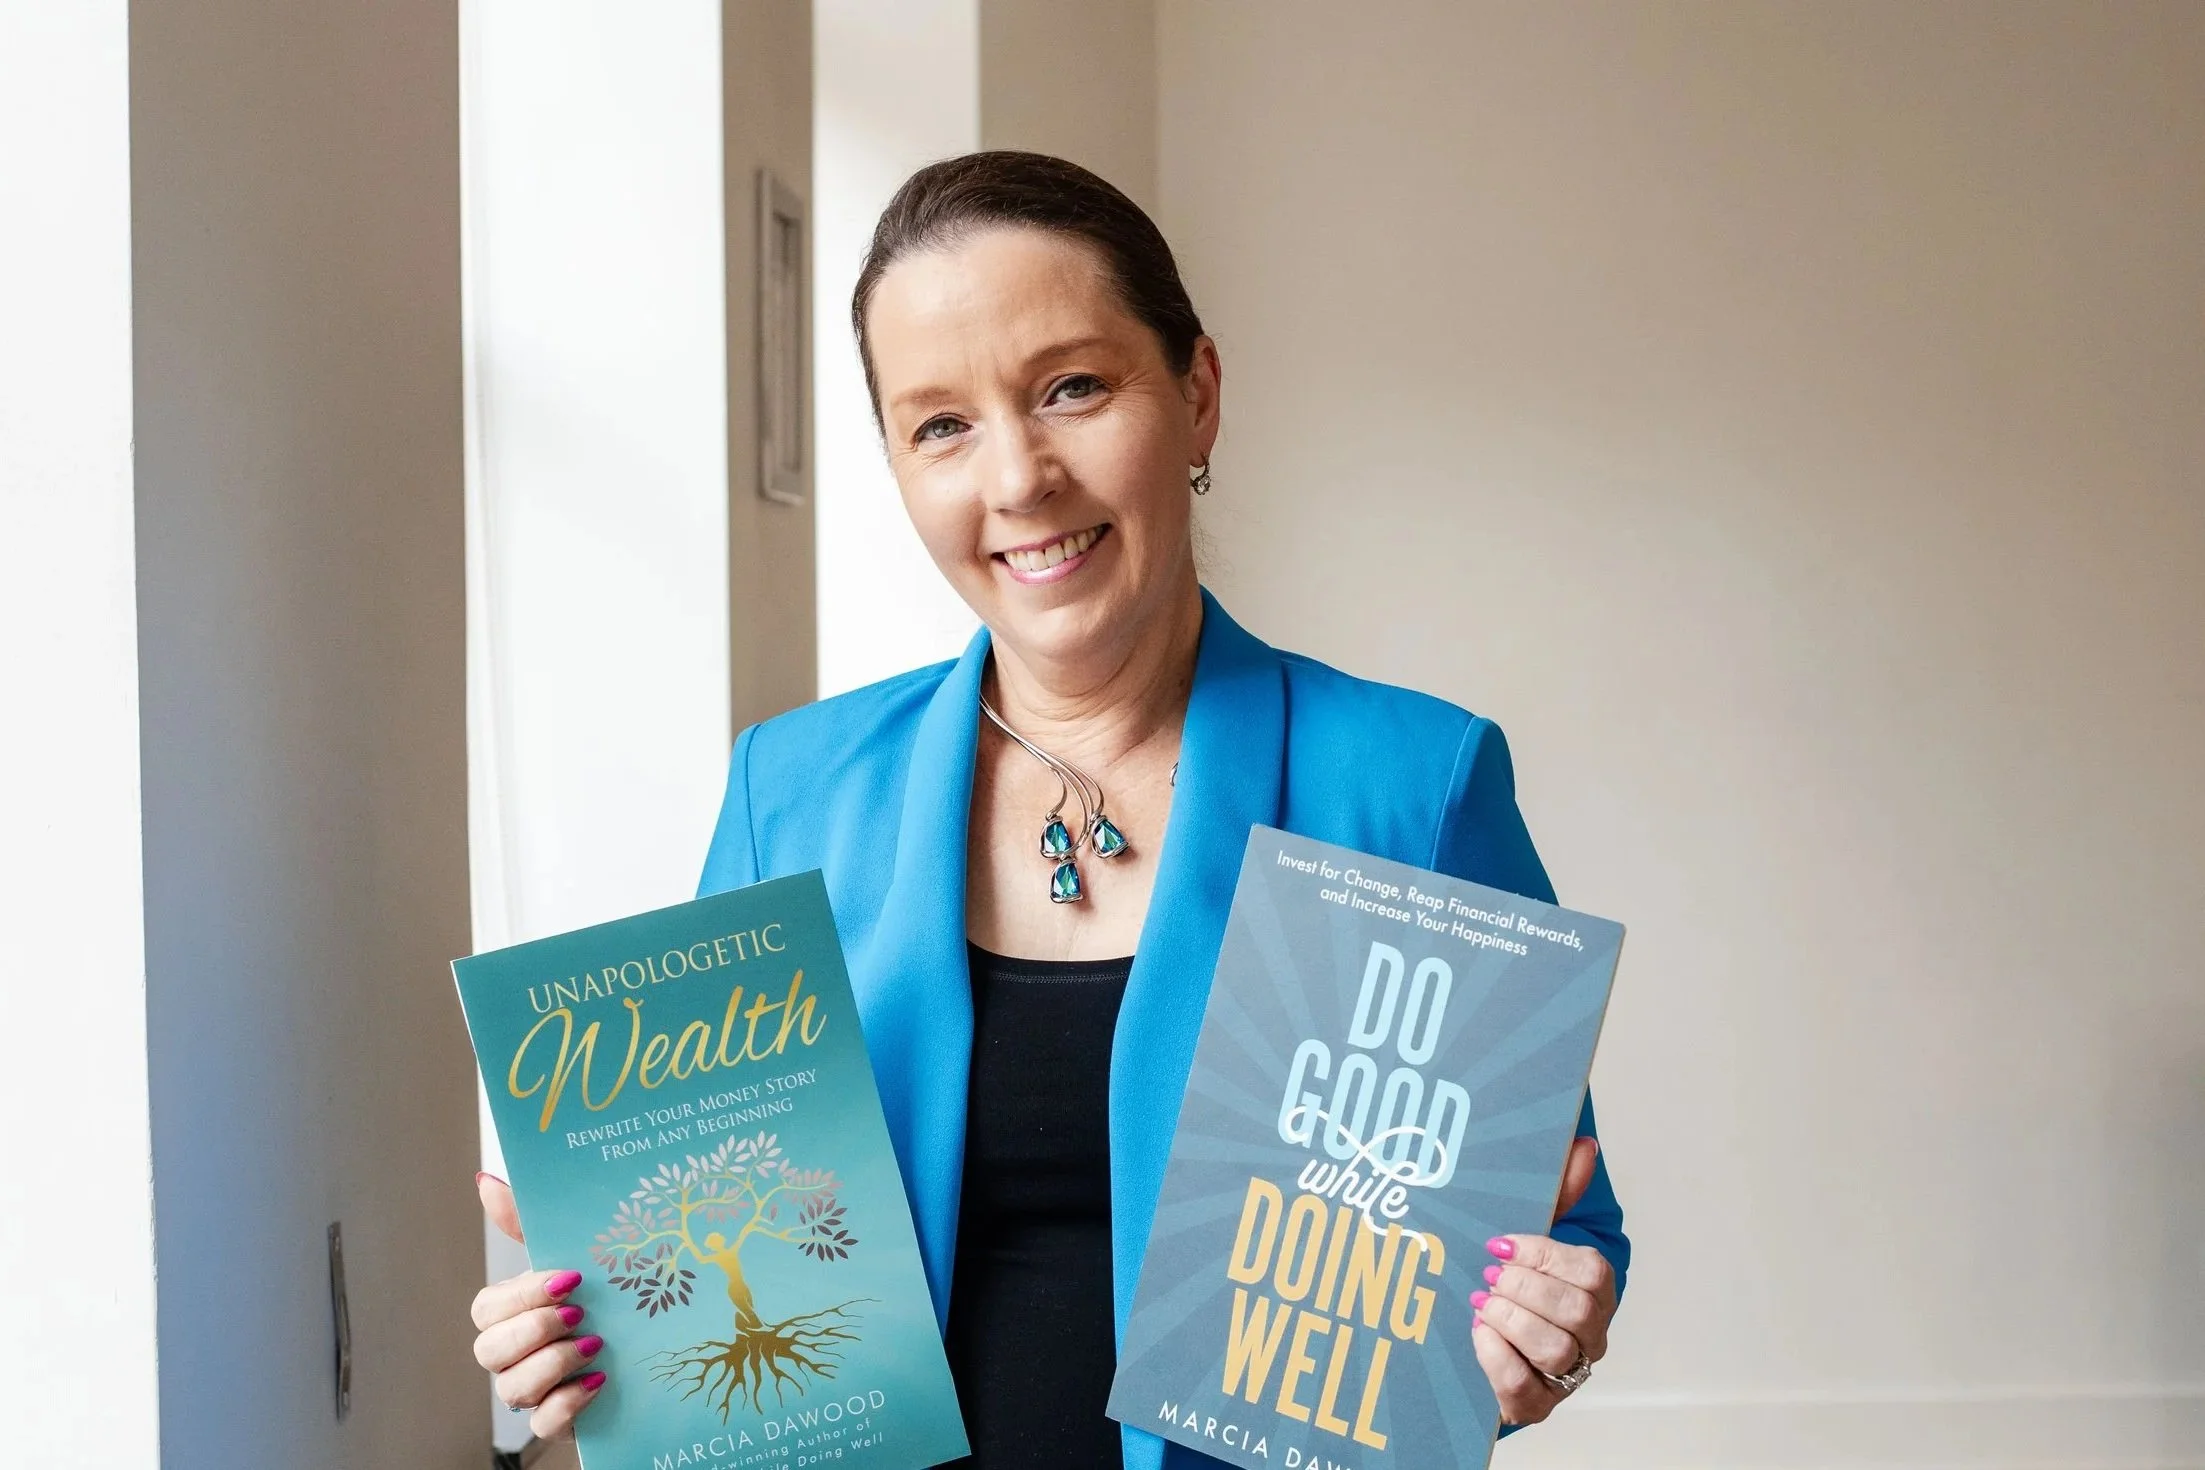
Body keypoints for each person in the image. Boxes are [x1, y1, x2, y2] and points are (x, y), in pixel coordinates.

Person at [468, 150, 1628, 1469]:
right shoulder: (789, 793)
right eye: (940, 425)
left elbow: (1555, 1228)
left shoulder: (1413, 783)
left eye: (1072, 388)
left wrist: (1538, 1331)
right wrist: (598, 1346)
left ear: (1198, 395)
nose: (1019, 478)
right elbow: (726, 1328)